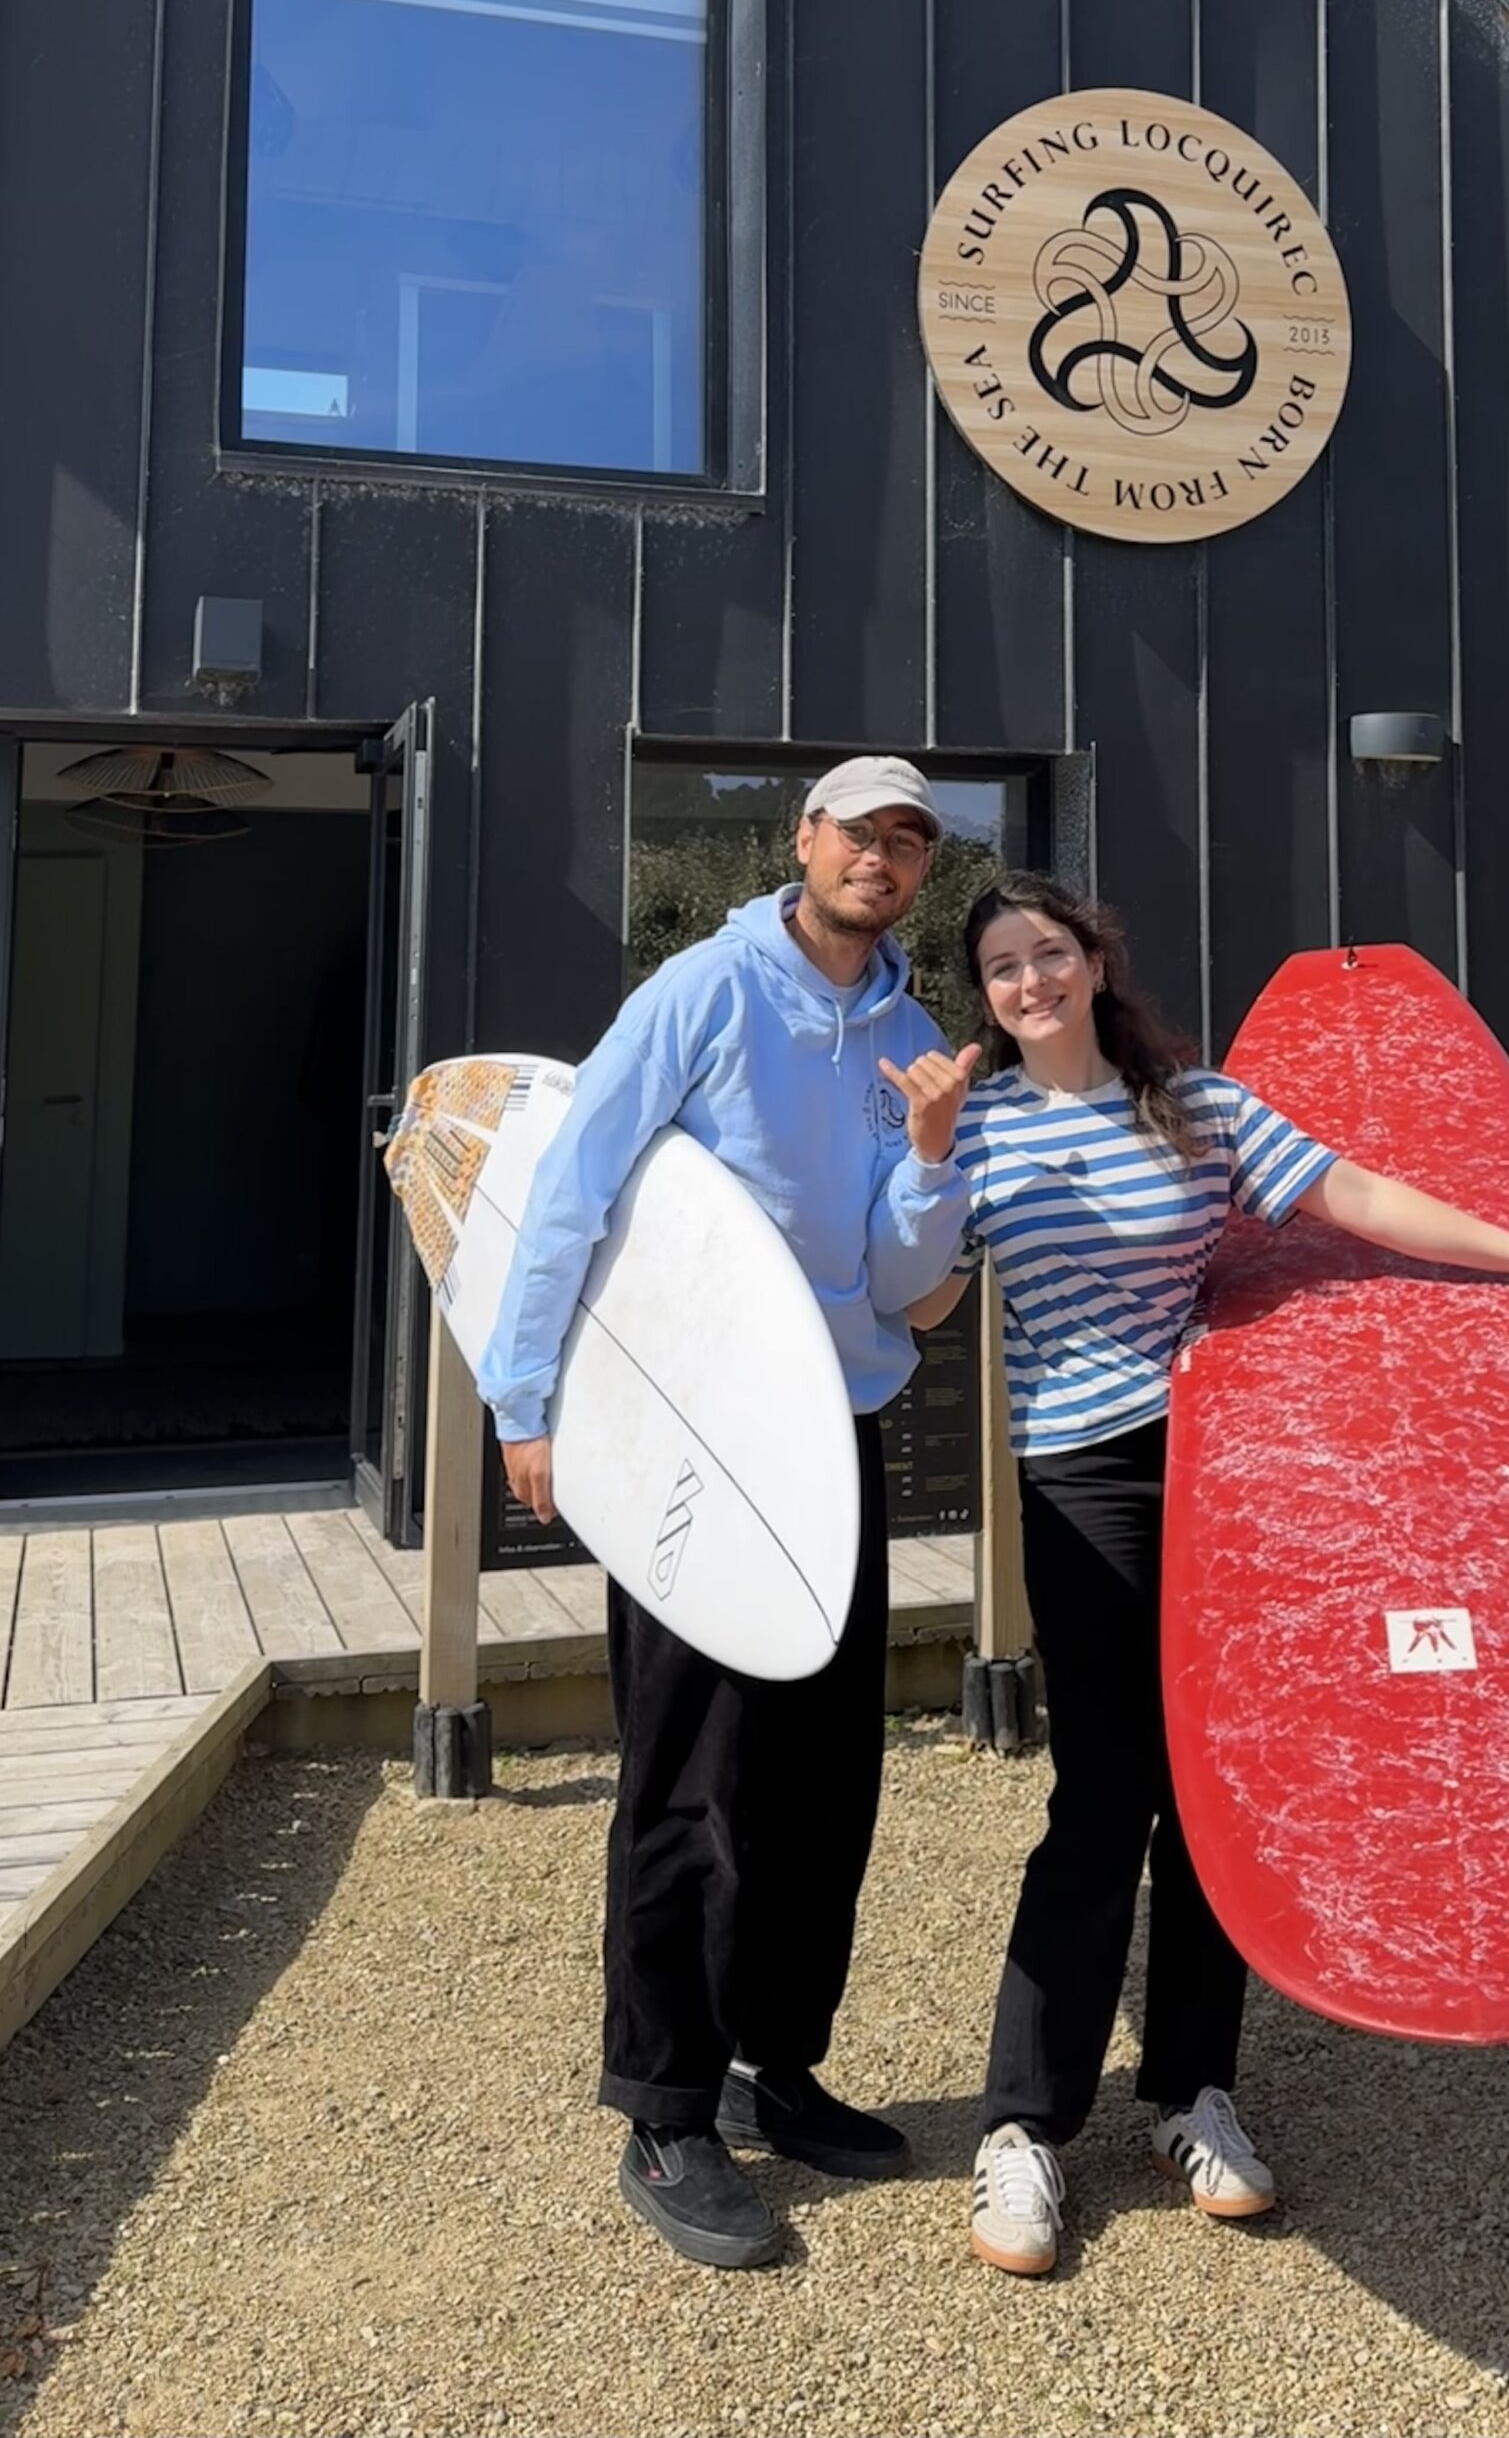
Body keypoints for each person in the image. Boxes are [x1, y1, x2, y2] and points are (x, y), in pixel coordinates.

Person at [906, 873, 1509, 2278]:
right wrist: (927, 1156)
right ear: (982, 993)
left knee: (1219, 1790)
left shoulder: (1197, 1106)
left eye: (1046, 952)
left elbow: (1353, 1195)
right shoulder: (976, 1123)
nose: (1028, 981)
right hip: (1079, 1474)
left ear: (1091, 961)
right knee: (1101, 1793)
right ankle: (1020, 2130)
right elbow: (923, 1299)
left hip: (1229, 1469)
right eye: (1000, 966)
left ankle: (1190, 2093)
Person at [480, 757, 976, 2272]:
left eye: (907, 840)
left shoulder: (914, 1039)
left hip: (830, 1438)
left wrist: (937, 1158)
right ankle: (665, 2102)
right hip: (690, 1437)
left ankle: (778, 2064)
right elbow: (571, 1186)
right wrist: (527, 1399)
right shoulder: (700, 991)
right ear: (802, 840)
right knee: (691, 1774)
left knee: (824, 1777)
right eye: (858, 831)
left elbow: (904, 1286)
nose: (879, 858)